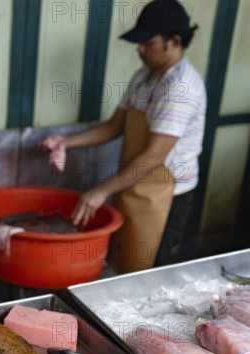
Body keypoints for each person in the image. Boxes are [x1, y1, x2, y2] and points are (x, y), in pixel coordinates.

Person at [41, 0, 205, 273]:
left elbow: (154, 157)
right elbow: (114, 126)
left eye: (147, 43)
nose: (139, 50)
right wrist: (66, 142)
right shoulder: (144, 76)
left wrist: (100, 191)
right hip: (134, 181)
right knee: (125, 261)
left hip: (166, 194)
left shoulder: (180, 88)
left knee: (151, 269)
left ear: (174, 41)